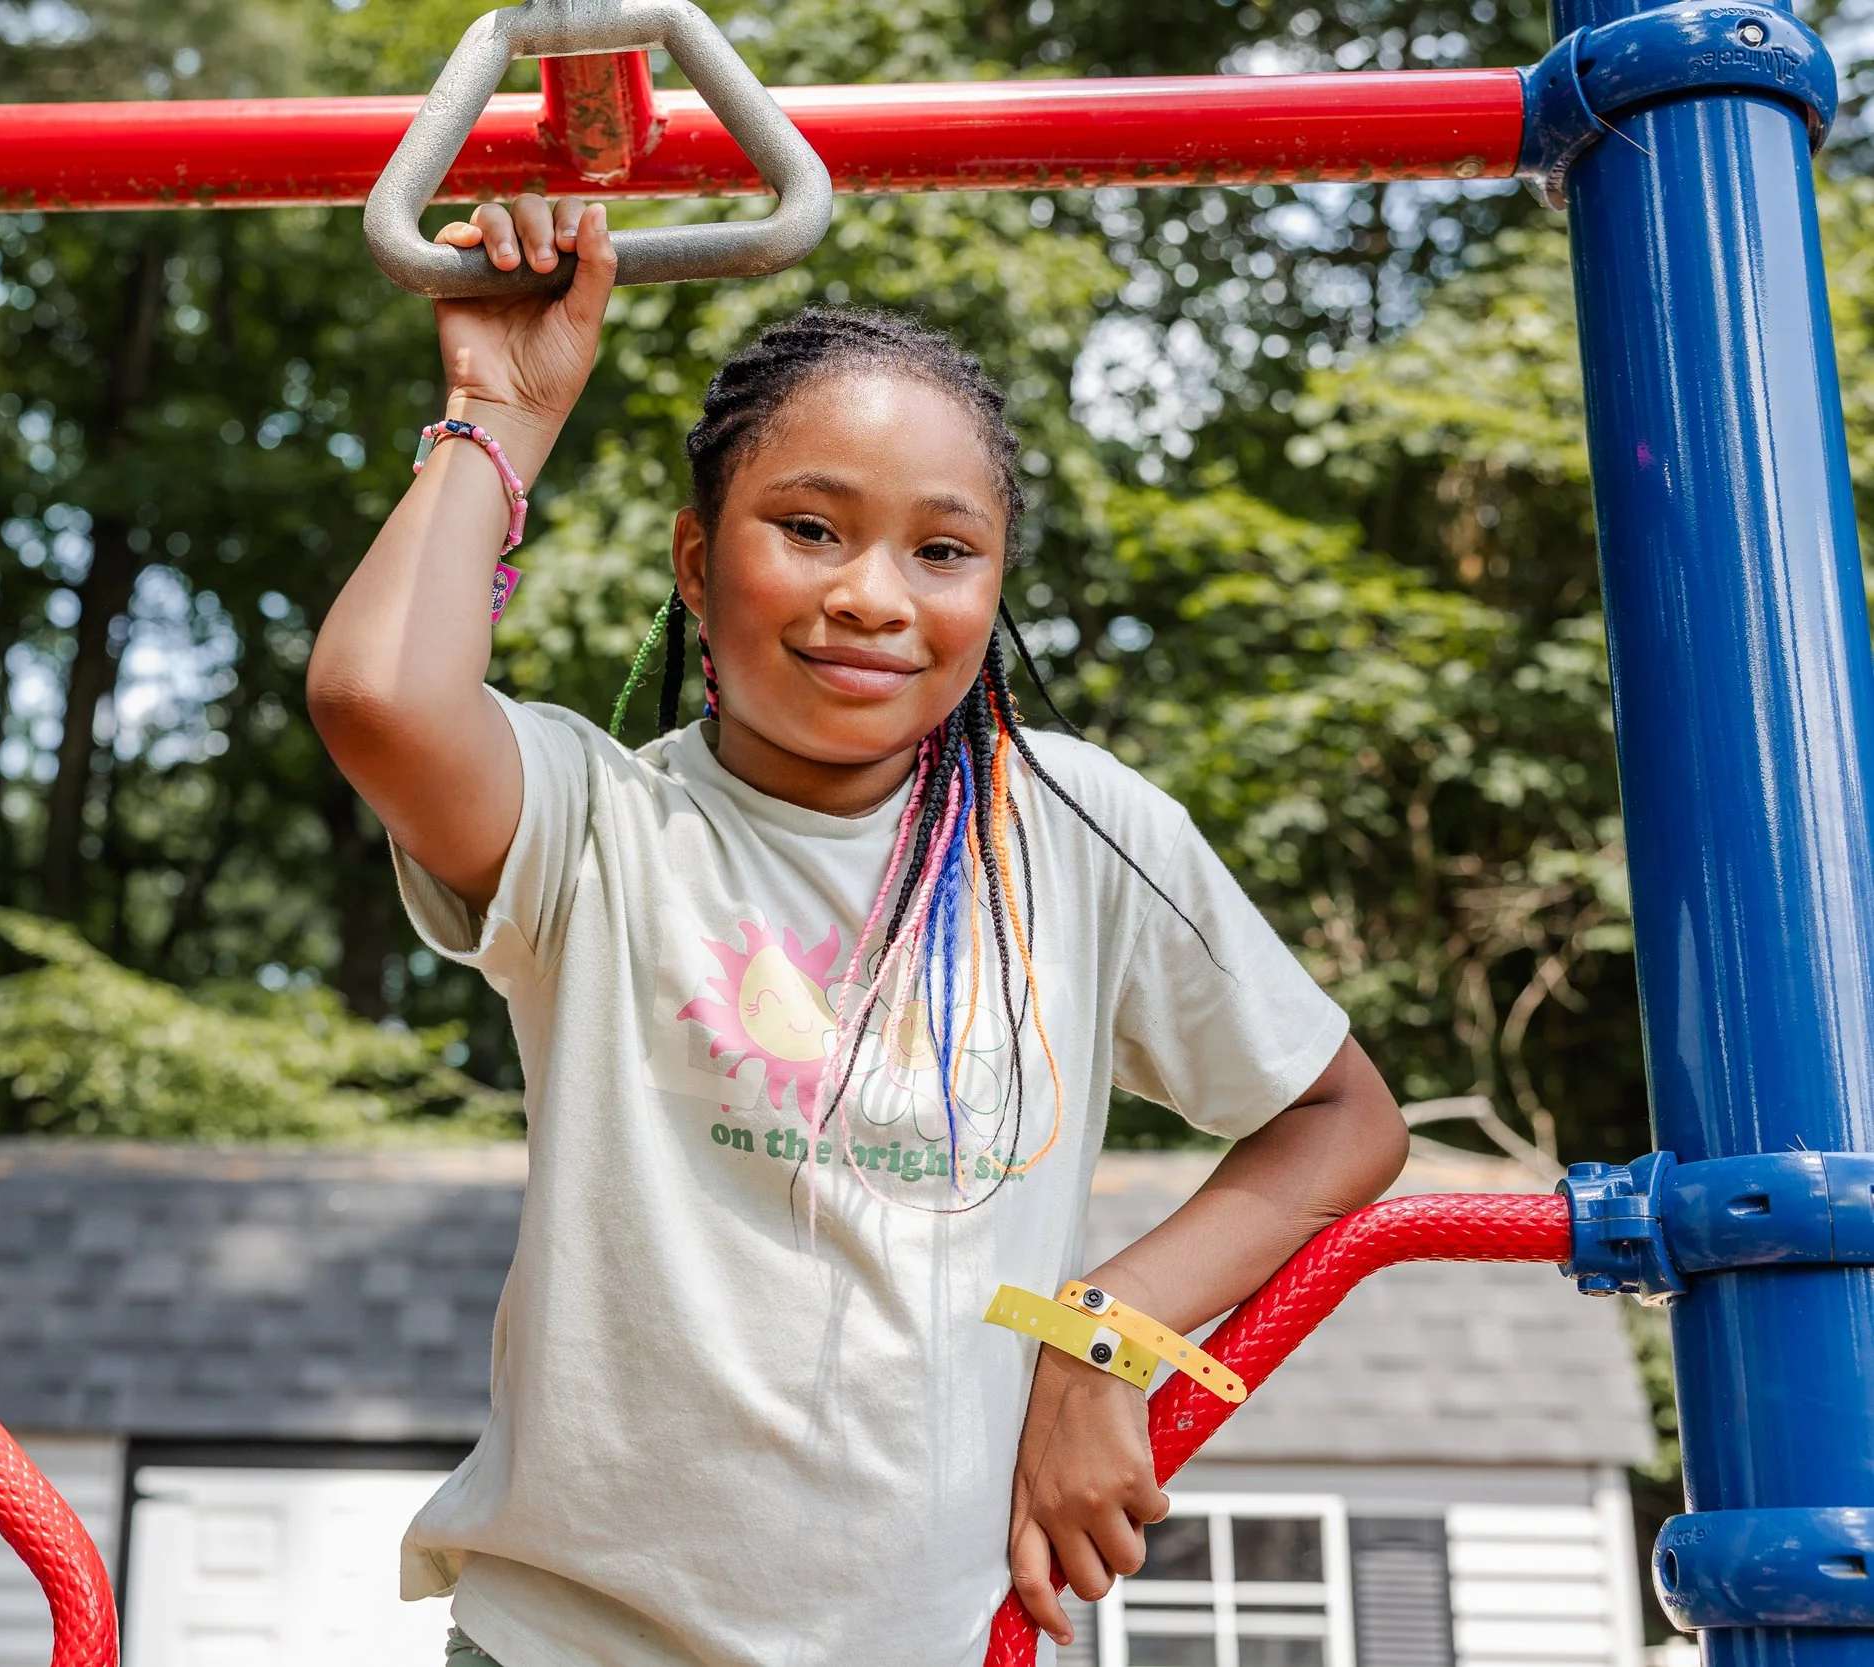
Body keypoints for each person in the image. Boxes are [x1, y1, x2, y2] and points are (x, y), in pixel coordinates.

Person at [306, 194, 1410, 1666]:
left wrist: (1110, 1325)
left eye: (942, 552)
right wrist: (496, 414)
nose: (871, 595)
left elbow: (1341, 1118)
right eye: (811, 527)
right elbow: (378, 698)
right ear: (699, 567)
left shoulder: (1075, 831)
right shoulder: (601, 826)